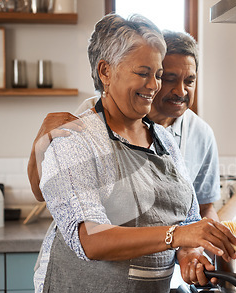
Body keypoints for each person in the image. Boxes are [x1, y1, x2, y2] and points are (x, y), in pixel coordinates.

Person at [30, 14, 236, 293]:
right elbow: (89, 239)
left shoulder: (164, 138)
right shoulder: (74, 139)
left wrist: (191, 249)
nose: (155, 85)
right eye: (144, 73)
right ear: (106, 71)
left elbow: (187, 217)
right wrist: (178, 236)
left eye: (157, 74)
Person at [27, 31, 221, 221]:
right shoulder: (91, 114)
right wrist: (40, 146)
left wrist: (201, 247)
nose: (181, 91)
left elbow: (203, 209)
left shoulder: (202, 134)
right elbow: (43, 194)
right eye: (169, 78)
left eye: (190, 81)